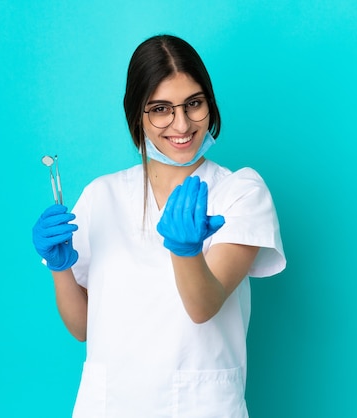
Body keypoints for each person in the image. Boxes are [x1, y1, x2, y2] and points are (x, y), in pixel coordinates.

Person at [32, 34, 286, 418]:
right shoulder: (102, 196)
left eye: (194, 104)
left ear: (209, 104)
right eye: (161, 109)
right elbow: (84, 328)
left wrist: (186, 252)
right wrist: (60, 268)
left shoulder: (240, 193)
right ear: (138, 115)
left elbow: (203, 307)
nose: (181, 124)